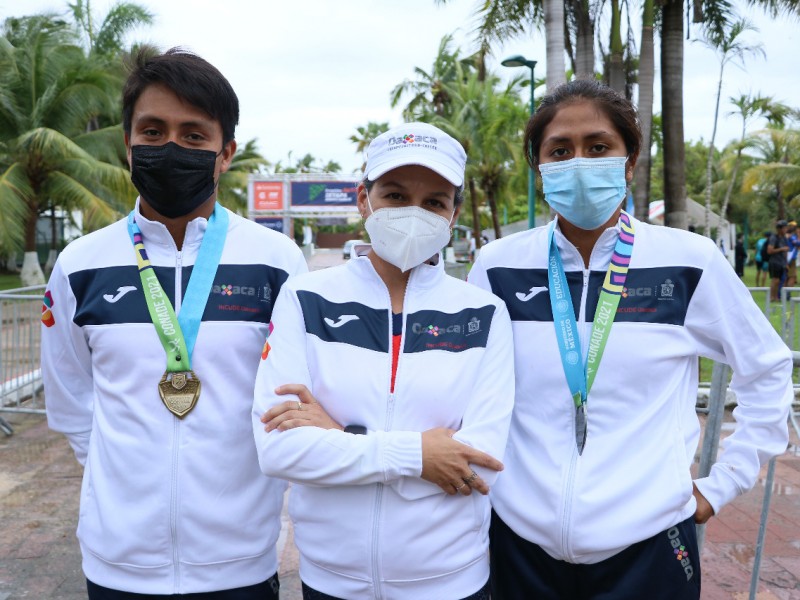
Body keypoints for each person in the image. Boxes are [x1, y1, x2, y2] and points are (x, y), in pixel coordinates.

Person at [467, 80, 793, 600]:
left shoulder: (690, 260)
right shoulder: (498, 266)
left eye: (598, 147)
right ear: (538, 166)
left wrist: (722, 483)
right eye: (560, 150)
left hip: (649, 546)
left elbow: (769, 369)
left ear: (630, 158)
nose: (578, 162)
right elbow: (467, 387)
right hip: (519, 544)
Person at [42, 47, 307, 599]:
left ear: (225, 152)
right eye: (153, 131)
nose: (171, 147)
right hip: (119, 565)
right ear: (128, 145)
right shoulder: (80, 264)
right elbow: (72, 401)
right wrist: (127, 483)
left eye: (193, 135)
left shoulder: (277, 262)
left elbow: (288, 398)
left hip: (240, 564)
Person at [252, 122, 515, 599]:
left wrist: (337, 437)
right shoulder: (305, 298)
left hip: (452, 582)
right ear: (363, 199)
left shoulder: (483, 313)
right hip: (331, 583)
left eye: (434, 201)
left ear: (453, 215)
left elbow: (481, 466)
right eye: (395, 195)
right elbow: (279, 450)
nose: (414, 214)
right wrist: (419, 456)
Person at [767, 219, 789, 301]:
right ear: (779, 229)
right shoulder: (774, 238)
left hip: (781, 262)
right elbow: (769, 250)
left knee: (779, 280)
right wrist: (782, 249)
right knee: (775, 280)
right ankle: (771, 297)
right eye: (784, 228)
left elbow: (786, 250)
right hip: (775, 262)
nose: (786, 229)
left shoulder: (784, 238)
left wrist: (786, 263)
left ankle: (776, 297)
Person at [785, 221, 798, 288]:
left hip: (787, 256)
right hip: (790, 257)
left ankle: (783, 292)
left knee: (787, 275)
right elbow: (797, 243)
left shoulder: (787, 235)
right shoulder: (791, 236)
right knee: (792, 276)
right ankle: (787, 292)